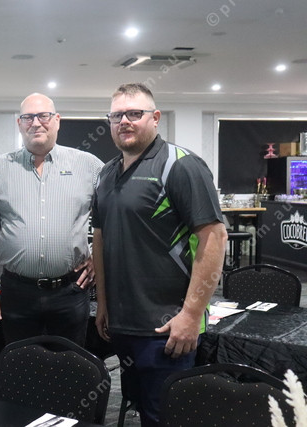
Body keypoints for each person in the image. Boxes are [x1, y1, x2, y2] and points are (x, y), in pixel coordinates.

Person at [92, 83, 227, 426]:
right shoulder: (106, 174)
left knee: (167, 417)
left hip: (168, 328)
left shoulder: (181, 166)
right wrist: (103, 303)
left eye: (134, 114)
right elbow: (100, 240)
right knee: (140, 409)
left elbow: (214, 238)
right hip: (123, 325)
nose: (125, 121)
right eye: (117, 116)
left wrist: (191, 315)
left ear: (155, 118)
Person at [0, 93, 104, 346]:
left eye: (43, 116)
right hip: (17, 292)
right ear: (19, 123)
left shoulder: (89, 166)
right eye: (28, 117)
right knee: (20, 363)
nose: (36, 123)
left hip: (70, 291)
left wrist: (100, 260)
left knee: (69, 362)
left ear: (57, 120)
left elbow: (113, 218)